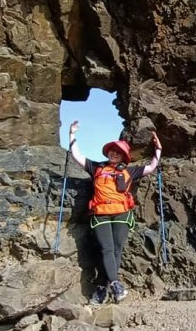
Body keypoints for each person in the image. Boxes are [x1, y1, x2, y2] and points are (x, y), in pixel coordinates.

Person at [68, 120, 161, 304]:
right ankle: (116, 283)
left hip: (122, 214)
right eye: (112, 150)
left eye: (118, 151)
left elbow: (151, 167)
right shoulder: (97, 168)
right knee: (107, 249)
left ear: (124, 156)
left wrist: (158, 149)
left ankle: (102, 288)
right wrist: (72, 134)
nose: (114, 153)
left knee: (116, 250)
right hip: (101, 213)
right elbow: (77, 156)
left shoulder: (130, 171)